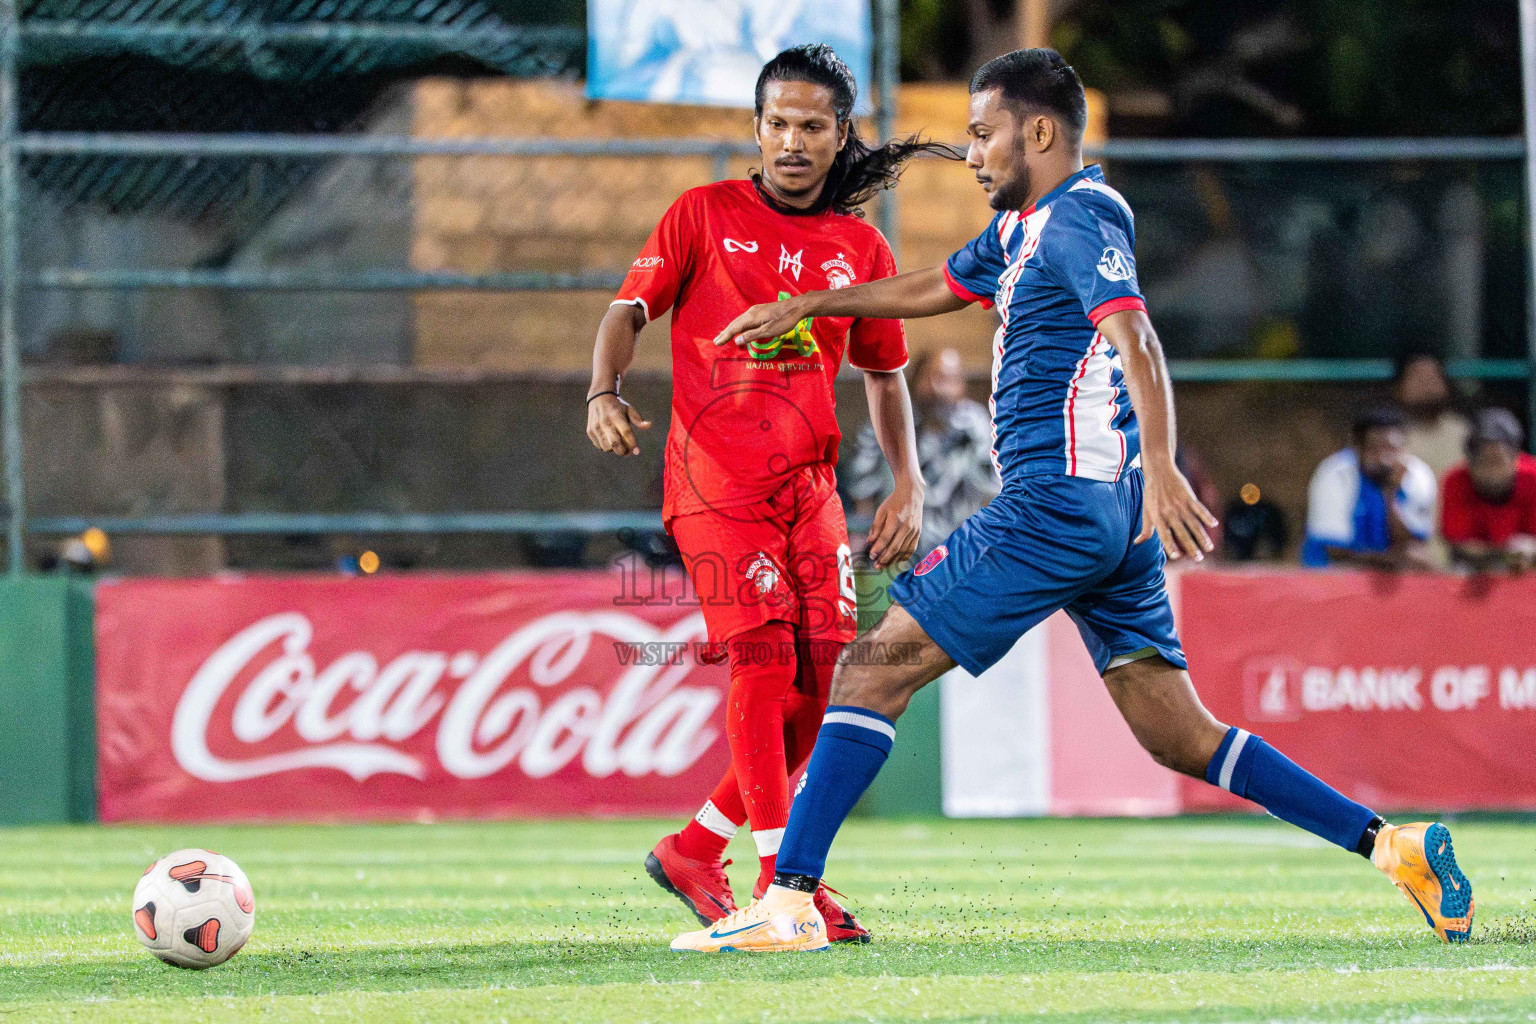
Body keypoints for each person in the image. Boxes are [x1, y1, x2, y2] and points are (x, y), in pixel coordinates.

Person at [670, 48, 1473, 953]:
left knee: (869, 671)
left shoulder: (1078, 220)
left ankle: (788, 903)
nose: (971, 154)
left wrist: (1166, 464)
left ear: (1039, 132)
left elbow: (1135, 334)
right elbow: (934, 285)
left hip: (1055, 507)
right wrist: (814, 302)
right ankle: (1395, 847)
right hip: (1106, 521)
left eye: (984, 135)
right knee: (1179, 734)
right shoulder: (1023, 229)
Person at [586, 44, 955, 943]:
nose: (792, 141)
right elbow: (626, 312)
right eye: (777, 123)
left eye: (811, 126)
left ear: (839, 136)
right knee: (761, 664)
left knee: (831, 682)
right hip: (714, 480)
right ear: (756, 130)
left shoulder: (861, 247)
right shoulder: (703, 214)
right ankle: (784, 885)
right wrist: (603, 388)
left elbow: (884, 375)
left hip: (809, 487)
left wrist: (907, 479)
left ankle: (693, 848)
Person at [846, 347, 1000, 557]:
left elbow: (993, 491)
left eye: (949, 379)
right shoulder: (889, 421)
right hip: (899, 550)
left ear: (962, 384)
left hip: (960, 548)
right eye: (933, 377)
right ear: (914, 380)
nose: (939, 388)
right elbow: (861, 490)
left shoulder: (975, 426)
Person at [1301, 408, 1437, 570]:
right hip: (1332, 575)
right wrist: (1392, 560)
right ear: (1358, 448)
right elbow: (1335, 550)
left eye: (1392, 449)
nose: (1384, 458)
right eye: (1375, 448)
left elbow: (1415, 543)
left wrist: (1390, 495)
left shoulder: (1418, 476)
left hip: (1387, 574)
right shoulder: (1334, 473)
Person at [1441, 408, 1536, 572]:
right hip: (1475, 566)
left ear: (1515, 458)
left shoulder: (1532, 477)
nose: (1493, 472)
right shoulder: (1455, 480)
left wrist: (1528, 548)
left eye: (1499, 460)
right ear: (1470, 463)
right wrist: (1507, 552)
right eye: (1486, 460)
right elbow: (1462, 545)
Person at [1395, 351, 1471, 481]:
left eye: (1433, 377)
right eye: (1418, 378)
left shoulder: (1463, 431)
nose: (1427, 386)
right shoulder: (1389, 435)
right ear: (1399, 387)